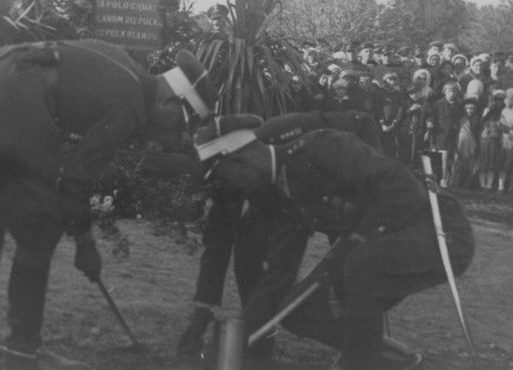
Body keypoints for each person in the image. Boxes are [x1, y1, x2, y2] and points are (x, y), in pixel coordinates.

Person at [0, 42, 218, 369]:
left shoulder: (126, 68)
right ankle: (21, 353)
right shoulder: (131, 106)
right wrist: (84, 243)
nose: (169, 137)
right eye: (178, 125)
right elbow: (74, 179)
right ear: (171, 100)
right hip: (7, 99)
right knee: (40, 227)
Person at [205, 128, 474, 370]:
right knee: (297, 308)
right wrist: (243, 336)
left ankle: (359, 363)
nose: (227, 188)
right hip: (372, 249)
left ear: (240, 161)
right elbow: (279, 273)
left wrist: (356, 239)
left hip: (438, 232)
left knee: (359, 265)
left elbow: (403, 190)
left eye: (222, 177)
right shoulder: (281, 195)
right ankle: (389, 359)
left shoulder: (322, 147)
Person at [178, 111, 383, 364]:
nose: (222, 185)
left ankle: (365, 350)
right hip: (284, 202)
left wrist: (366, 193)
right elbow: (217, 243)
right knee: (248, 258)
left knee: (350, 267)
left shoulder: (291, 132)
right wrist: (202, 311)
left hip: (338, 190)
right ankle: (258, 339)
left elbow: (363, 122)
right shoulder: (228, 182)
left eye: (221, 175)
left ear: (238, 158)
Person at [429, 81, 464, 187]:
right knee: (442, 157)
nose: (452, 93)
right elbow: (431, 116)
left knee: (450, 158)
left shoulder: (459, 105)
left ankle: (447, 180)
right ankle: (441, 180)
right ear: (444, 92)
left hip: (453, 136)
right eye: (449, 91)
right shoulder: (438, 104)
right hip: (440, 135)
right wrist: (430, 123)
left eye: (454, 91)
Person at [449, 98, 481, 188]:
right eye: (467, 108)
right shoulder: (460, 117)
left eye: (472, 108)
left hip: (471, 142)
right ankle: (454, 182)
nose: (469, 110)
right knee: (457, 162)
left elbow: (477, 132)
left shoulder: (476, 118)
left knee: (470, 163)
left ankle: (467, 184)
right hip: (460, 141)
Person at [479, 89, 504, 190]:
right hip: (483, 140)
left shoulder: (498, 113)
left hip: (494, 140)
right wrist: (485, 112)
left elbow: (500, 125)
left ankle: (489, 185)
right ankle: (482, 184)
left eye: (493, 101)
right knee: (483, 162)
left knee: (491, 163)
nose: (492, 103)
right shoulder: (482, 111)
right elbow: (478, 123)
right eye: (490, 101)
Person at [497, 88, 513, 192]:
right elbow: (500, 125)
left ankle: (512, 186)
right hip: (505, 140)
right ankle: (501, 186)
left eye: (510, 99)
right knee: (504, 163)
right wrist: (509, 130)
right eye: (506, 99)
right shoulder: (503, 111)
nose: (507, 101)